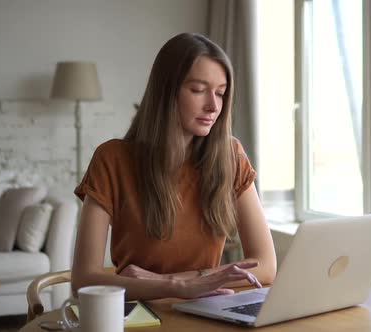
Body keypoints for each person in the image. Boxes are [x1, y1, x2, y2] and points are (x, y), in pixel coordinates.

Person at [71, 32, 277, 300]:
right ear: (166, 91)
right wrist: (176, 288)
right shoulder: (112, 159)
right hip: (141, 314)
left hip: (206, 311)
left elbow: (266, 266)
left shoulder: (230, 155)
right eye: (198, 90)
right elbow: (83, 281)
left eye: (221, 93)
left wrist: (173, 280)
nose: (213, 106)